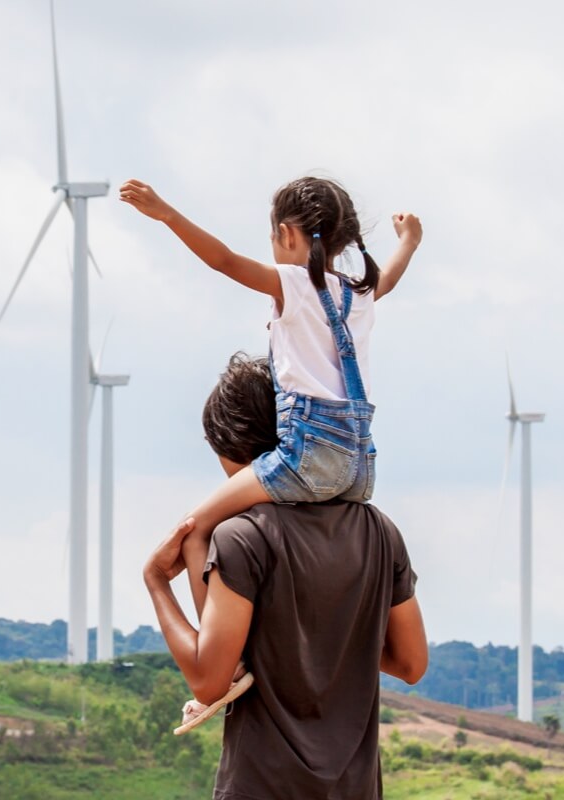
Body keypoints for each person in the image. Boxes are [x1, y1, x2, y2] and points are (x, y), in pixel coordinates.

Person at [121, 176, 423, 723]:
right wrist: (409, 241)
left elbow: (221, 260)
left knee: (196, 530)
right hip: (358, 467)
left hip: (305, 455)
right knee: (218, 526)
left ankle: (226, 662)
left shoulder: (291, 285)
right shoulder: (357, 293)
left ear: (286, 234)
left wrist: (166, 213)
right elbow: (392, 279)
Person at [144, 354, 428, 799]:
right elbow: (411, 664)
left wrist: (157, 582)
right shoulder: (379, 531)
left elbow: (209, 680)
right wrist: (328, 641)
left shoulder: (242, 539)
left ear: (230, 446)